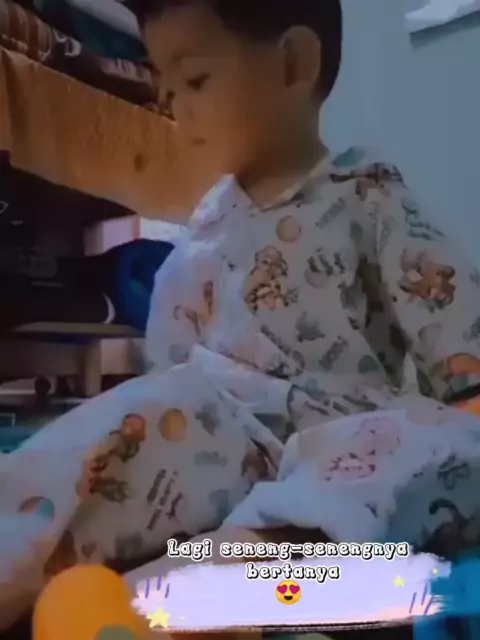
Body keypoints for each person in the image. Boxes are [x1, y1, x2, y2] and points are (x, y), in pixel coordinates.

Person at [2, 0, 480, 630]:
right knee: (108, 431)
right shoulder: (202, 229)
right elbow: (169, 372)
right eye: (166, 86)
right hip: (218, 426)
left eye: (195, 80)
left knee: (437, 445)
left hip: (341, 432)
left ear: (293, 64)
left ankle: (191, 592)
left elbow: (461, 344)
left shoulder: (368, 196)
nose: (174, 105)